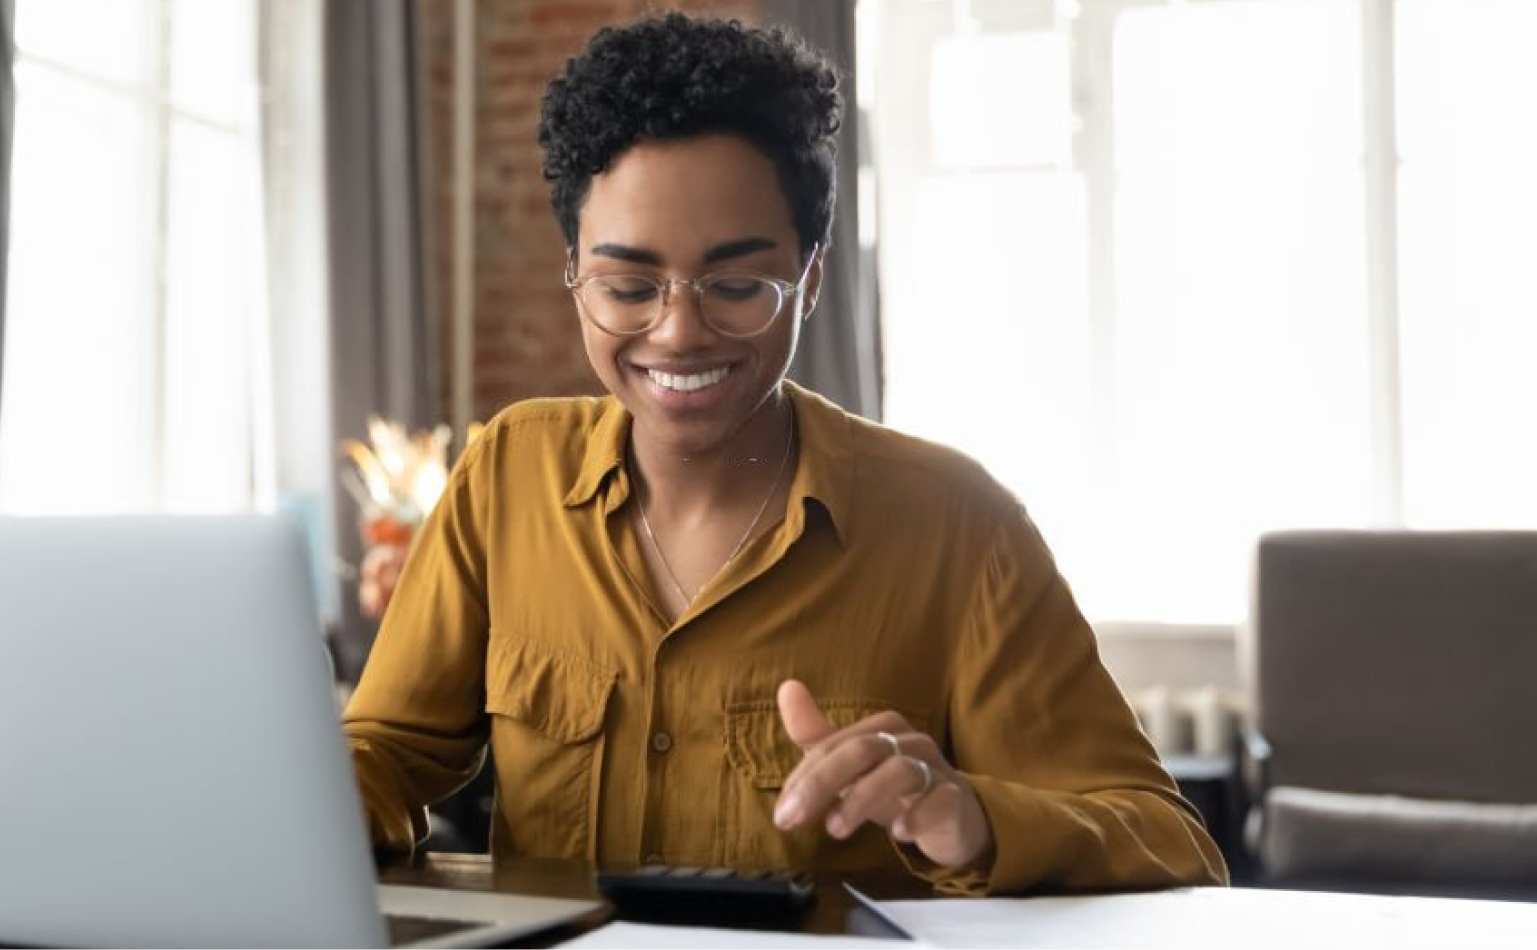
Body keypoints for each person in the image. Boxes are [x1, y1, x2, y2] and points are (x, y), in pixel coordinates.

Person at [343, 13, 1227, 894]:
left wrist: (973, 818)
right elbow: (386, 752)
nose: (679, 331)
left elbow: (1172, 844)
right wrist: (315, 795)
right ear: (574, 274)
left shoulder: (960, 528)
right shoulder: (507, 477)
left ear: (810, 280)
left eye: (736, 285)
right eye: (627, 286)